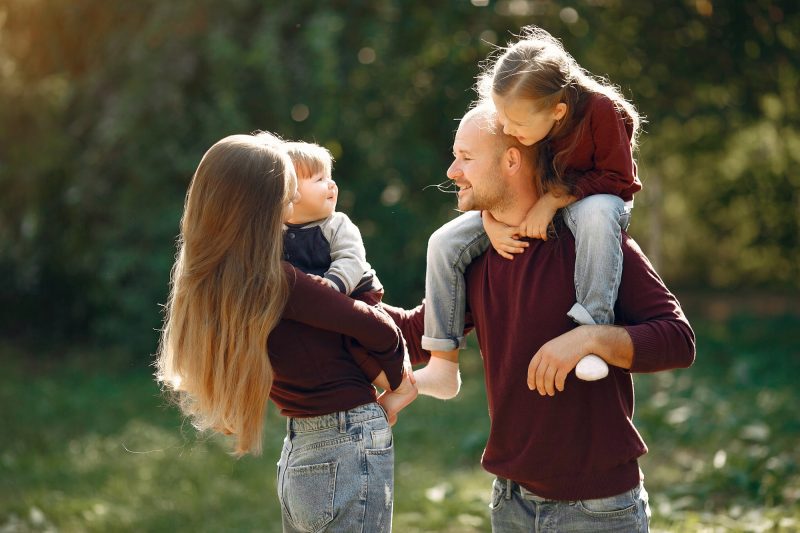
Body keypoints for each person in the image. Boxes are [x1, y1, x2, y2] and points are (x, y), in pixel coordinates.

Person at [384, 103, 695, 531]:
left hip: (597, 507)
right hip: (510, 500)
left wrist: (589, 339)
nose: (453, 171)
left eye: (466, 157)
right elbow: (419, 332)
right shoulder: (477, 257)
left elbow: (677, 340)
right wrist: (325, 296)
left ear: (511, 160)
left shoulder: (592, 245)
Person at [155, 132, 414, 532]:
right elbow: (379, 328)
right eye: (288, 194)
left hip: (303, 452)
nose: (295, 202)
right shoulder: (278, 280)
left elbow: (391, 322)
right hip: (344, 444)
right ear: (263, 205)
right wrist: (397, 375)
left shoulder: (225, 283)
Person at [418, 26, 643, 397]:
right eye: (503, 118)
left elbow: (620, 179)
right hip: (538, 201)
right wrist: (490, 219)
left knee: (597, 213)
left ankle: (590, 330)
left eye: (515, 123)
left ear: (558, 111)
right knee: (443, 242)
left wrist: (553, 200)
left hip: (596, 199)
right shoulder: (525, 116)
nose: (507, 128)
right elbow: (509, 184)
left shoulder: (602, 111)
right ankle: (442, 363)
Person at [282, 140, 417, 423]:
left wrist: (333, 285)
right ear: (289, 191)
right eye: (320, 179)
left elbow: (351, 260)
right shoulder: (278, 232)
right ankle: (388, 391)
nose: (332, 186)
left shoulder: (337, 224)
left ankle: (402, 386)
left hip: (356, 292)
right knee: (341, 349)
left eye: (330, 179)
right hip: (324, 304)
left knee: (361, 342)